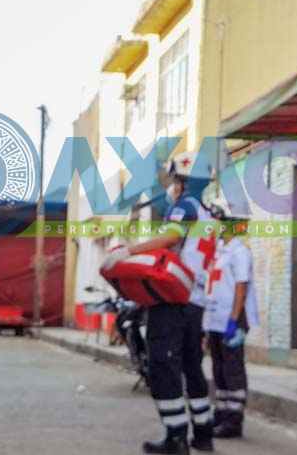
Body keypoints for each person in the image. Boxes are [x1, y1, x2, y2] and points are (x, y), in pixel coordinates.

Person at [103, 150, 216, 454]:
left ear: (187, 181)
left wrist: (130, 251)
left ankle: (176, 436)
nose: (173, 186)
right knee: (192, 367)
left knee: (162, 367)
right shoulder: (207, 212)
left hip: (175, 299)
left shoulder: (186, 206)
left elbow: (170, 238)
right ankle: (203, 432)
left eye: (176, 179)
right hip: (196, 303)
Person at [203, 200, 258, 439]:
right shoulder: (218, 251)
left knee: (233, 368)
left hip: (232, 319)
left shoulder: (240, 252)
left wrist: (234, 320)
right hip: (215, 319)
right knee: (219, 368)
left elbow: (241, 287)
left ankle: (234, 419)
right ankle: (222, 412)